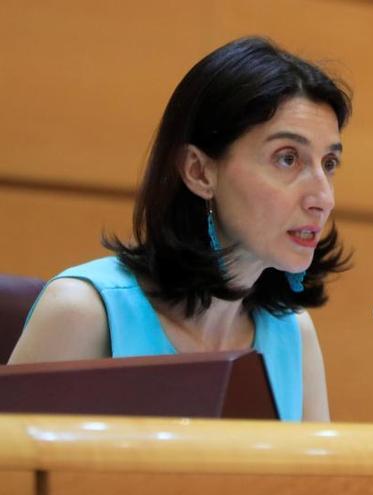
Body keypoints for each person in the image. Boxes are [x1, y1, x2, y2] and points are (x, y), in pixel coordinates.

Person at [9, 36, 351, 422]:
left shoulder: (294, 334)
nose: (322, 197)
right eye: (287, 159)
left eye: (329, 164)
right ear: (198, 171)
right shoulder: (83, 313)